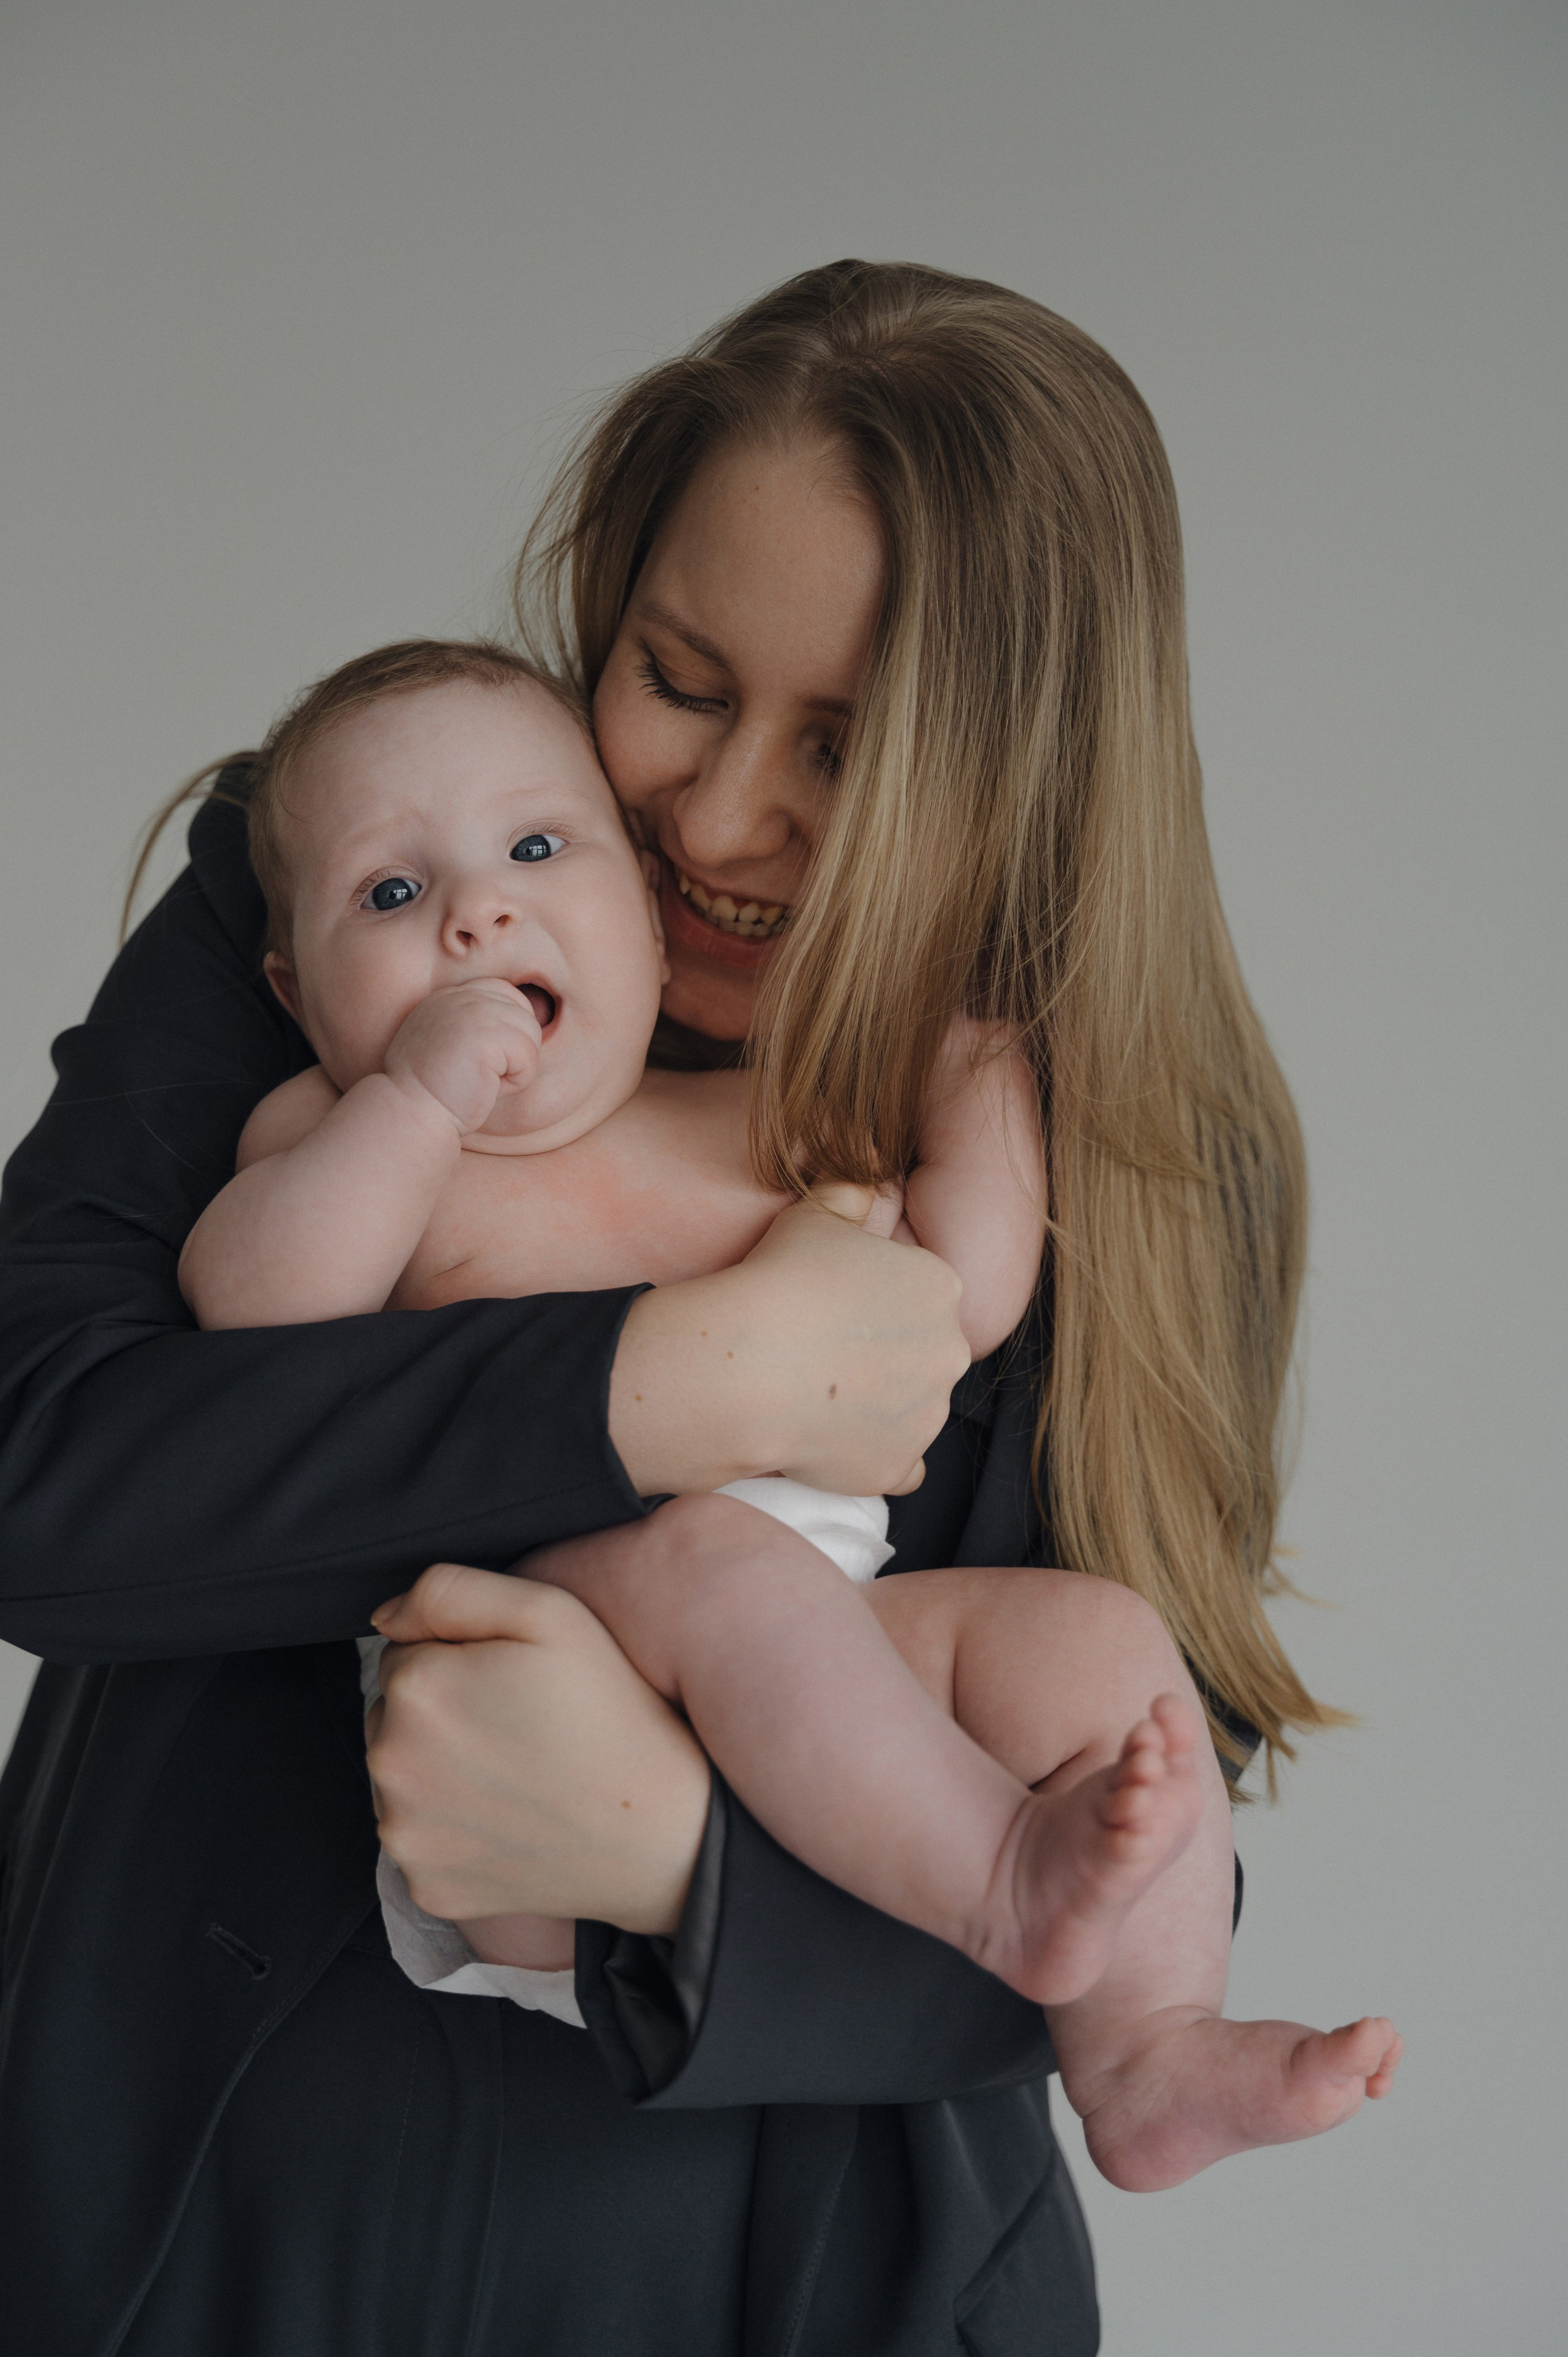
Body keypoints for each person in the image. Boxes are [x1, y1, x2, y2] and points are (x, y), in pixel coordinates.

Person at [0, 260, 1363, 2355]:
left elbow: (1132, 1798)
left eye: (846, 744)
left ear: (1016, 773)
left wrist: (678, 1861)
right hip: (232, 2205)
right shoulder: (364, 893)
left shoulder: (1129, 1134)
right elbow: (52, 1472)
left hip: (805, 2262)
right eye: (681, 676)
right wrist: (653, 1379)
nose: (723, 819)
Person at [177, 635, 1399, 2195]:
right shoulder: (343, 1135)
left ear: (635, 894)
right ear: (294, 986)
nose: (478, 912)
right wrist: (411, 1108)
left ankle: (1148, 2049)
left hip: (810, 1684)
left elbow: (958, 1301)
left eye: (535, 850)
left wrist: (978, 1074)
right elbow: (252, 1315)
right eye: (389, 897)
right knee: (718, 1564)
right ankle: (999, 1880)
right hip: (521, 1718)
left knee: (1088, 1639)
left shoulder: (775, 1114)